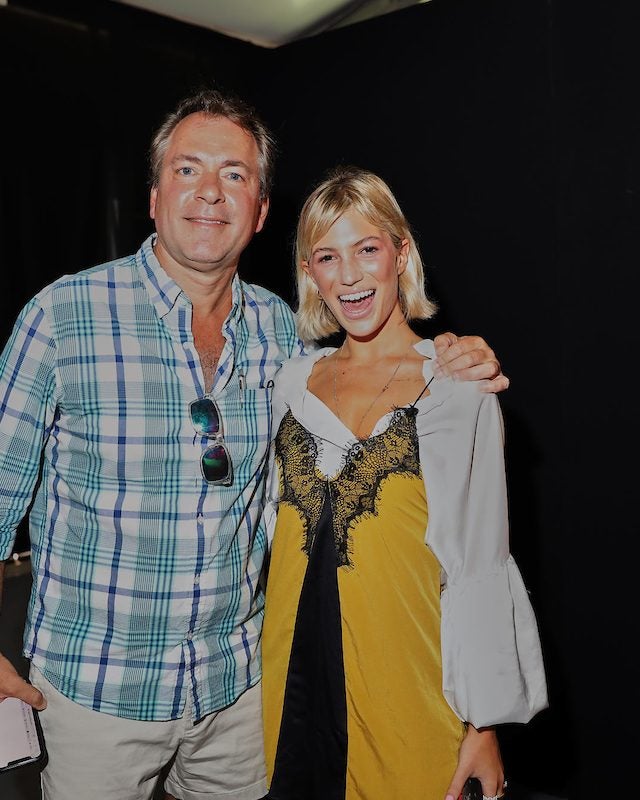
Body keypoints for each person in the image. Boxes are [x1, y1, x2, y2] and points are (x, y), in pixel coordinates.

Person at [0, 89, 508, 800]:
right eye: (188, 169)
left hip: (238, 695)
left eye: (234, 174)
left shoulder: (284, 336)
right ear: (153, 196)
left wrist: (449, 355)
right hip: (96, 698)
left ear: (261, 210)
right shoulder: (61, 316)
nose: (210, 191)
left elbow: (373, 385)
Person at [261, 167, 548, 800]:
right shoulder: (290, 383)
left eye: (367, 248)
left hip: (408, 691)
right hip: (292, 690)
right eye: (328, 257)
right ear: (310, 274)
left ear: (401, 252)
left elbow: (479, 563)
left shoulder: (458, 389)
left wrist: (483, 725)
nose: (350, 275)